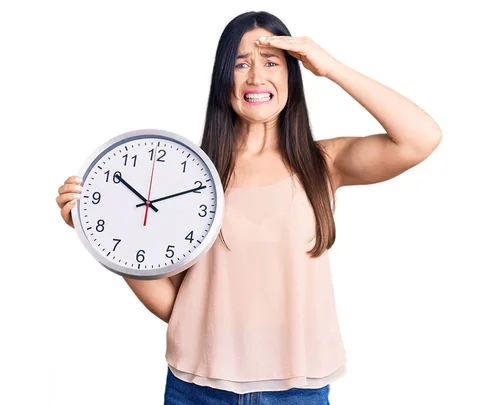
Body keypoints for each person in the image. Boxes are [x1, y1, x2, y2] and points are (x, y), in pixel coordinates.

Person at [55, 10, 442, 405]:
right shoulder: (191, 175)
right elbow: (174, 307)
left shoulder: (323, 162)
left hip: (297, 393)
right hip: (197, 391)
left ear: (293, 73)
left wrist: (331, 68)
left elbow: (421, 138)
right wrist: (102, 235)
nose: (256, 77)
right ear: (224, 77)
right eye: (241, 64)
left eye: (271, 62)